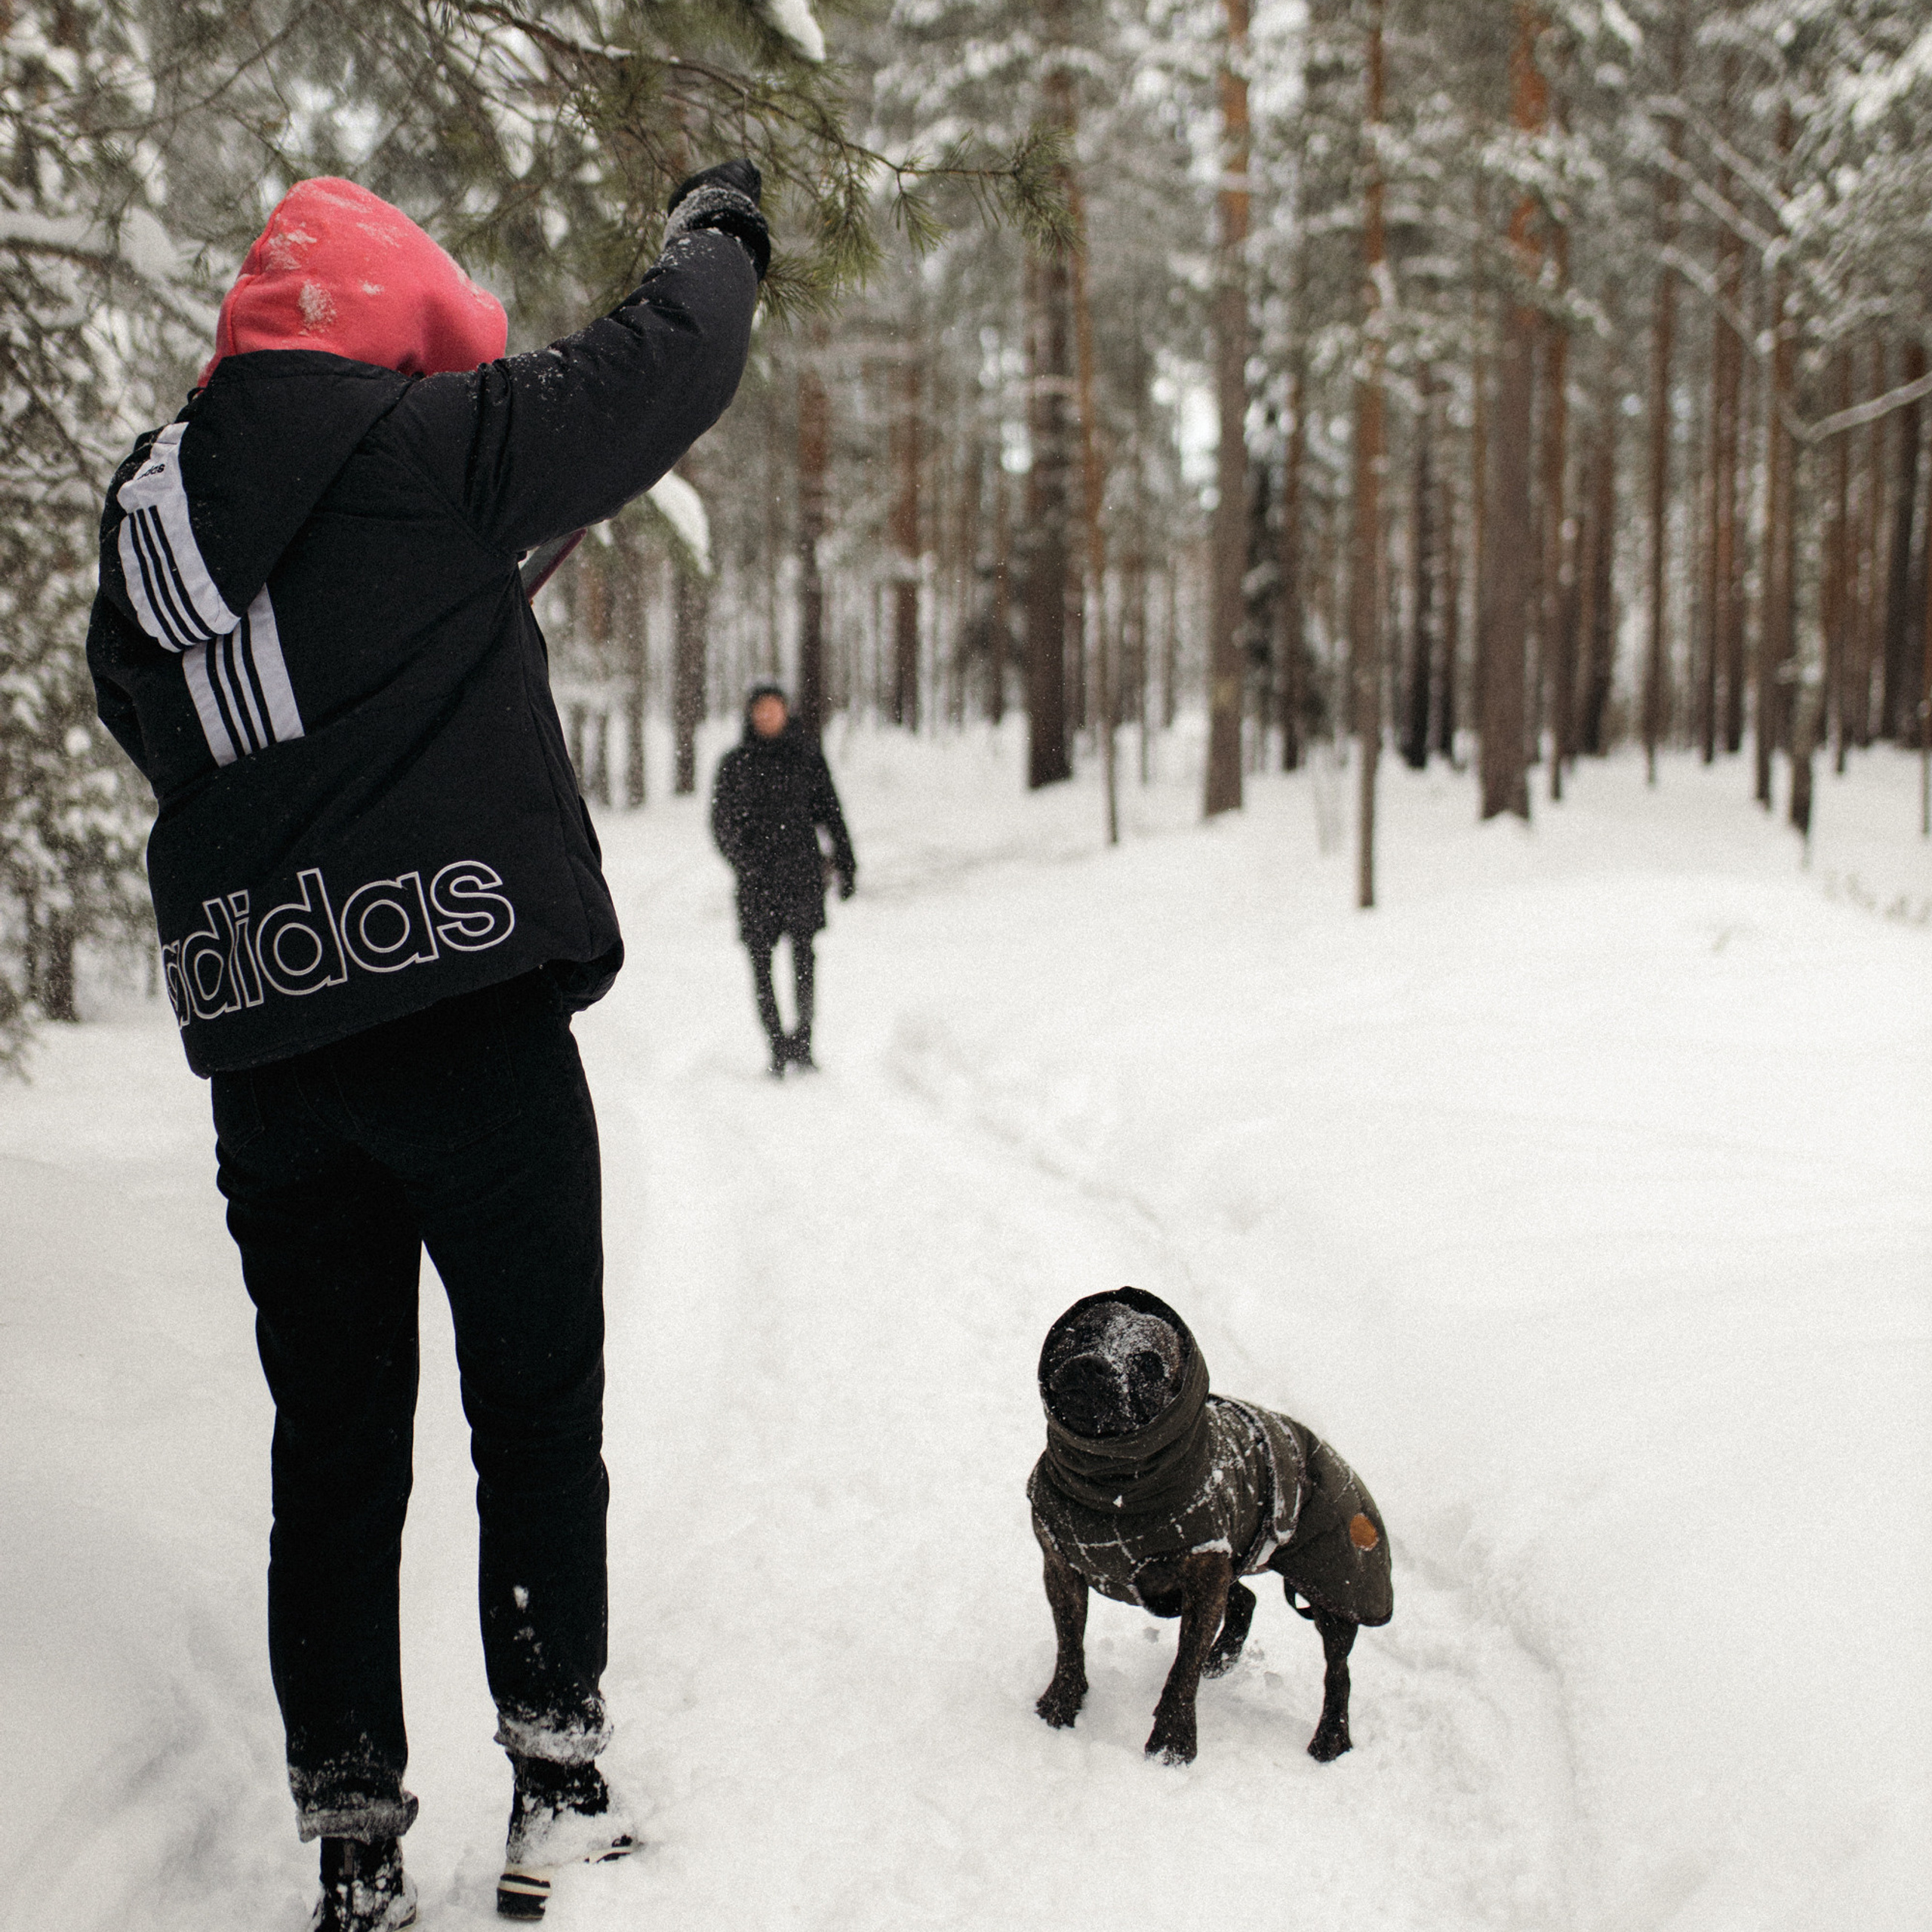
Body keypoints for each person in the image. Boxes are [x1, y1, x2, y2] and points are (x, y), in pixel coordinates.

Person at [86, 164, 768, 1930]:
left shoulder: (146, 523)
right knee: (531, 1406)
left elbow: (139, 697)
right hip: (464, 1021)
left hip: (272, 1056)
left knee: (333, 1443)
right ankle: (554, 1776)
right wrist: (713, 227)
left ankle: (355, 1840)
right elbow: (658, 367)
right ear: (389, 331)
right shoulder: (429, 450)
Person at [709, 684, 856, 1075]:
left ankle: (804, 1042)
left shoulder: (806, 757)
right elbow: (721, 824)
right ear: (751, 715)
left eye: (774, 709)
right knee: (761, 964)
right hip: (756, 883)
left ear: (786, 713)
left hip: (802, 877)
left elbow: (830, 812)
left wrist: (847, 862)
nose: (767, 717)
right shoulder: (735, 764)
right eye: (761, 710)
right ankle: (776, 1043)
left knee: (804, 960)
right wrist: (746, 861)